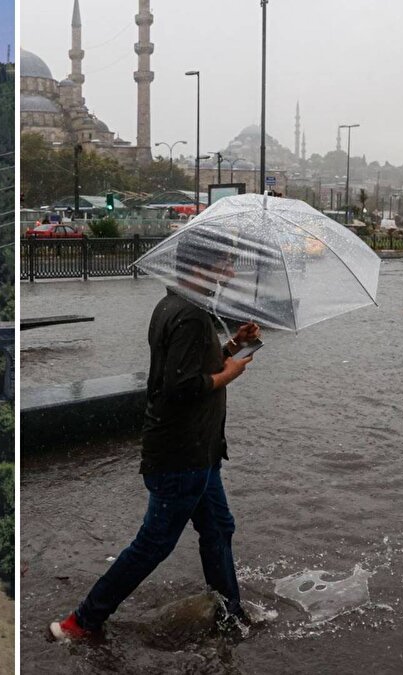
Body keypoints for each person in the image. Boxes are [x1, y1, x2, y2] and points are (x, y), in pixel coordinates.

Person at [50, 243, 260, 642]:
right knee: (153, 544)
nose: (231, 273)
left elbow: (185, 368)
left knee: (218, 528)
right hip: (182, 454)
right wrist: (229, 374)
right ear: (201, 266)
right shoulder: (191, 315)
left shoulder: (172, 304)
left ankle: (231, 615)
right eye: (226, 263)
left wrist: (233, 346)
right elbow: (180, 388)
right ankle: (82, 621)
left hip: (198, 451)